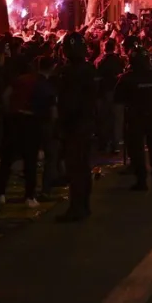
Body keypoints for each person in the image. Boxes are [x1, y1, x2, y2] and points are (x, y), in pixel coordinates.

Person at [0, 56, 57, 208]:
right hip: (32, 121)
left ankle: (1, 194)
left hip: (14, 120)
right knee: (30, 159)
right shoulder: (42, 84)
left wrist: (9, 112)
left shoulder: (19, 80)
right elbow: (51, 108)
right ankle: (29, 196)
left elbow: (5, 96)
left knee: (7, 158)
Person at [115, 48, 152, 190]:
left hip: (136, 118)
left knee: (137, 150)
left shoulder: (127, 78)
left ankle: (142, 180)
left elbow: (118, 98)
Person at [55, 32, 97, 221]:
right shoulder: (89, 69)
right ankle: (84, 205)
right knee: (83, 166)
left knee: (75, 168)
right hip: (87, 123)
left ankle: (76, 208)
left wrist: (62, 123)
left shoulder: (68, 72)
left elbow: (68, 102)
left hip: (75, 125)